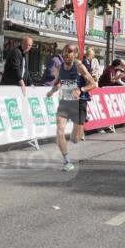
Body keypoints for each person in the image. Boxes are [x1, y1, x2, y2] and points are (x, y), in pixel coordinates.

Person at [45, 44, 97, 172]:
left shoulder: (79, 66)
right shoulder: (61, 66)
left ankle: (83, 122)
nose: (67, 54)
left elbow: (93, 84)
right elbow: (59, 82)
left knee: (75, 139)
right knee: (59, 130)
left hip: (79, 103)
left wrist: (81, 89)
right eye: (65, 51)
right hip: (65, 102)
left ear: (75, 54)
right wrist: (51, 91)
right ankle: (67, 161)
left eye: (70, 52)